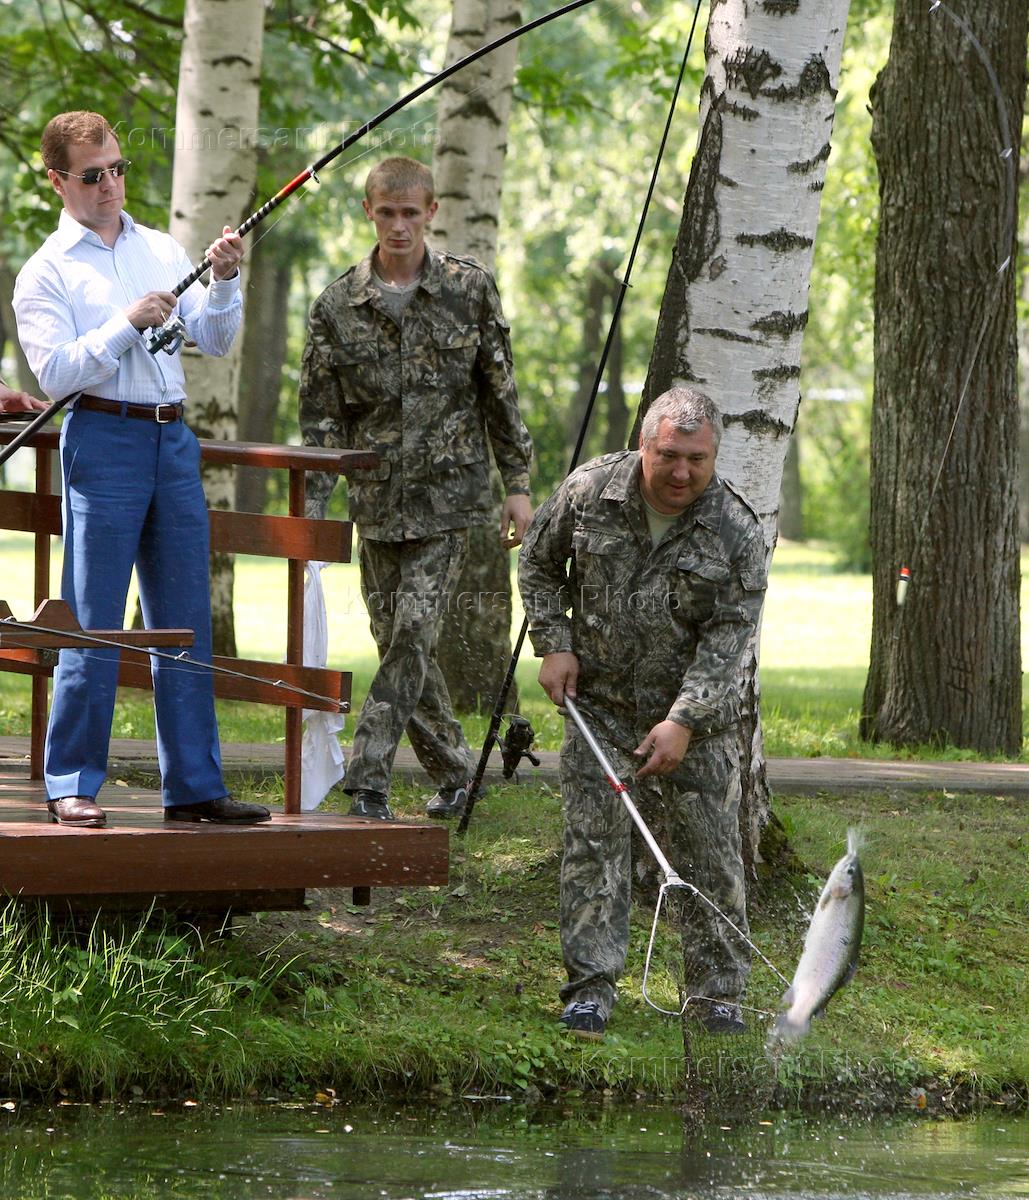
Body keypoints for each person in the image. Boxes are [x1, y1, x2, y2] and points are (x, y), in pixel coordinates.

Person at [13, 110, 269, 829]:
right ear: (59, 180)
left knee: (184, 619)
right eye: (92, 176)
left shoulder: (160, 248)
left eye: (118, 169)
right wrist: (125, 322)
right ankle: (72, 783)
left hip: (173, 442)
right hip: (103, 438)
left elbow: (214, 342)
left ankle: (194, 789)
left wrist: (222, 282)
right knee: (91, 620)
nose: (110, 185)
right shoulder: (47, 272)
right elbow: (58, 375)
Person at [517, 387, 767, 1040]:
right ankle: (590, 992)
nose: (681, 472)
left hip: (699, 724)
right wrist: (554, 644)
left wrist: (683, 720)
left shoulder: (735, 529)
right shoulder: (587, 492)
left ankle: (716, 998)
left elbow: (728, 638)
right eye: (668, 455)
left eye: (696, 458)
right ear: (643, 445)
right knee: (593, 851)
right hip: (597, 709)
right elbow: (537, 566)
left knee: (710, 856)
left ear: (713, 456)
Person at [300, 156, 533, 822]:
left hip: (448, 500)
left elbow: (500, 394)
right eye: (386, 212)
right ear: (368, 212)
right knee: (403, 646)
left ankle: (367, 777)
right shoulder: (337, 306)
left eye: (411, 212)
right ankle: (457, 772)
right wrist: (313, 517)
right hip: (374, 502)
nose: (399, 226)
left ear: (431, 212)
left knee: (410, 637)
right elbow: (320, 420)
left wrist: (516, 484)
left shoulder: (468, 290)